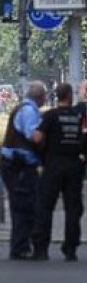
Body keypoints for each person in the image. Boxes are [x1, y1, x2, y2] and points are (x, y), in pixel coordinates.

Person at [30, 83, 87, 261]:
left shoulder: (50, 116)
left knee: (45, 207)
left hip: (53, 165)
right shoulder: (79, 116)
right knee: (73, 208)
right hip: (74, 165)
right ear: (70, 96)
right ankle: (70, 249)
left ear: (57, 96)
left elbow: (37, 138)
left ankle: (41, 249)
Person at [0, 80, 48, 260]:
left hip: (15, 164)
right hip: (18, 166)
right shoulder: (28, 111)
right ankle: (19, 247)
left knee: (22, 204)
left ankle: (21, 245)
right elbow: (33, 137)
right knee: (24, 206)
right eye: (45, 96)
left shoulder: (24, 108)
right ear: (40, 97)